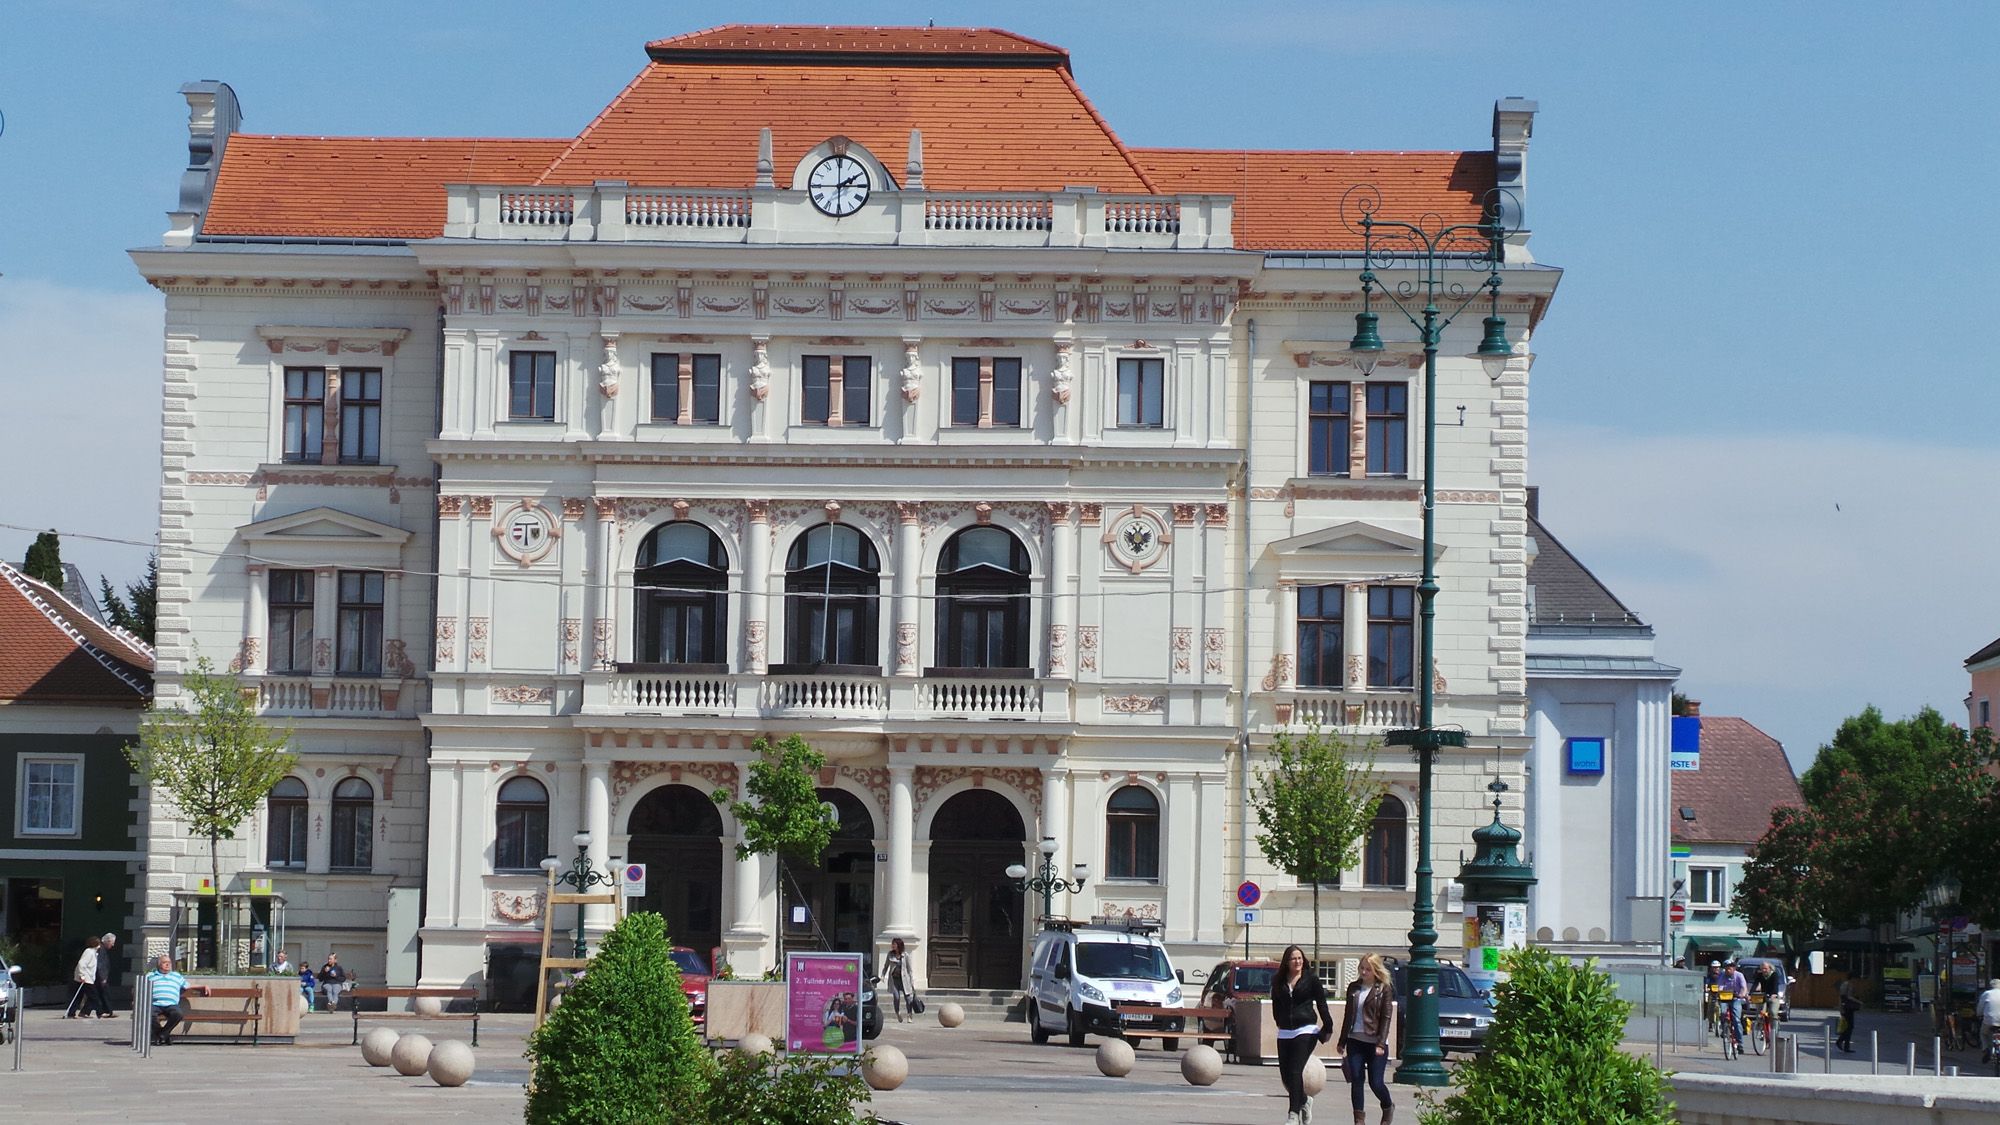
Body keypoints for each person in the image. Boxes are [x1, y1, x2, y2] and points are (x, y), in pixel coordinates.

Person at [1270, 944, 1335, 1125]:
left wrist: (1327, 1027)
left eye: (1299, 958)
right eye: (1293, 958)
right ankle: (1304, 1100)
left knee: (1295, 1070)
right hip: (1285, 1031)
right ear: (1286, 962)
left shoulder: (1311, 979)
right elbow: (1276, 1005)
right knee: (1286, 1076)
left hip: (1306, 1029)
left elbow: (1322, 1004)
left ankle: (1293, 1114)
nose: (1297, 961)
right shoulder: (1278, 981)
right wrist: (1279, 1020)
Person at [1338, 953, 1396, 1125]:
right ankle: (1359, 1120)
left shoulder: (1384, 989)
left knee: (1376, 1082)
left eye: (1368, 969)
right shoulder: (1354, 988)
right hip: (1355, 1040)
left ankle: (1387, 1106)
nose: (1363, 972)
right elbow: (1348, 1015)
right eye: (1362, 968)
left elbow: (1386, 1017)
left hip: (1375, 1043)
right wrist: (1342, 1041)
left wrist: (1380, 1043)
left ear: (1376, 970)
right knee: (1356, 1079)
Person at [149, 954, 210, 1045]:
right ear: (159, 965)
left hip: (171, 1004)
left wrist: (203, 986)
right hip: (155, 1004)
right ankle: (163, 1035)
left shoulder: (176, 976)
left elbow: (188, 986)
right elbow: (140, 987)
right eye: (165, 962)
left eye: (169, 962)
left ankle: (162, 1035)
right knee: (147, 1013)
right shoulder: (151, 975)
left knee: (178, 1014)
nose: (168, 964)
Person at [881, 938, 915, 1023]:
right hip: (894, 980)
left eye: (894, 944)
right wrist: (883, 975)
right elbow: (886, 966)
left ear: (899, 945)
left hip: (904, 980)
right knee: (896, 997)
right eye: (892, 944)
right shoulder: (890, 954)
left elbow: (909, 969)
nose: (893, 946)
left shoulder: (905, 955)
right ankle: (898, 1012)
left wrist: (911, 980)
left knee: (908, 998)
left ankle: (909, 1014)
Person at [1718, 959, 1750, 1048]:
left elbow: (1744, 987)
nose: (1728, 970)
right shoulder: (1722, 975)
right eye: (1726, 968)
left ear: (1734, 968)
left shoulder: (1739, 975)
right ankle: (1724, 1028)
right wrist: (1719, 992)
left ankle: (1740, 1043)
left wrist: (1742, 994)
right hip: (1725, 998)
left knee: (1736, 1019)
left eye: (1730, 968)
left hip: (1736, 998)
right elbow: (1720, 986)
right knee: (1723, 1012)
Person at [67, 936, 102, 1018]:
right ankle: (100, 1012)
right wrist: (82, 975)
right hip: (86, 979)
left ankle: (72, 1013)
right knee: (94, 996)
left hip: (87, 978)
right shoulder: (89, 952)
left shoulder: (93, 953)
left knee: (79, 996)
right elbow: (82, 964)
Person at [94, 934, 118, 1019]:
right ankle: (107, 1011)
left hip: (100, 976)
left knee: (99, 994)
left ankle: (106, 1011)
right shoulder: (101, 950)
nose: (113, 945)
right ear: (107, 941)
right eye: (112, 943)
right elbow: (100, 964)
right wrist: (103, 977)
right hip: (100, 977)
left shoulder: (101, 949)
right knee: (104, 994)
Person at [1835, 973, 1860, 1053]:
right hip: (1848, 1007)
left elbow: (1841, 997)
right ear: (1852, 978)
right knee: (1849, 1027)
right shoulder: (1848, 985)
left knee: (1848, 1026)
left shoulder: (1844, 984)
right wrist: (1859, 1002)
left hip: (1844, 1007)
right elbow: (1848, 997)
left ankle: (1844, 1044)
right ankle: (1841, 1042)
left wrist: (1840, 1008)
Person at [1977, 978, 2000, 1062]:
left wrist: (1979, 1015)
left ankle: (1986, 1048)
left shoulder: (1986, 994)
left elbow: (1980, 1008)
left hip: (1989, 1020)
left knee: (1983, 1033)